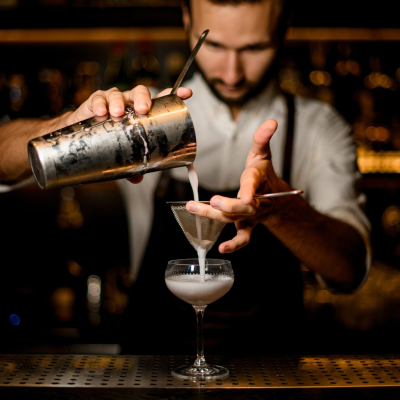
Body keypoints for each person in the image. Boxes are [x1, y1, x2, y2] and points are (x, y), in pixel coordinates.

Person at [0, 0, 370, 355]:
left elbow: (349, 271)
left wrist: (282, 210)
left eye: (254, 47)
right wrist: (68, 129)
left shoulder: (319, 128)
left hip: (272, 375)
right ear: (187, 22)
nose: (232, 72)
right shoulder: (145, 121)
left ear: (284, 28)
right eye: (216, 45)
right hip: (148, 374)